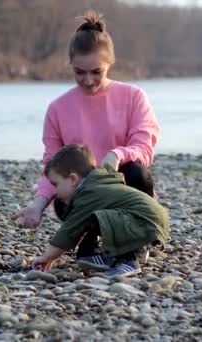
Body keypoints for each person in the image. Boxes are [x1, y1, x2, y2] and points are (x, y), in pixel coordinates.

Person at [11, 10, 160, 229]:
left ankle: (138, 237)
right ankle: (90, 243)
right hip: (81, 197)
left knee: (138, 172)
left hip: (124, 188)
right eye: (80, 72)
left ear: (110, 62)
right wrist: (38, 204)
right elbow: (53, 167)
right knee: (67, 193)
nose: (88, 80)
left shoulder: (134, 96)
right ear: (70, 63)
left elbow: (144, 149)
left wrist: (117, 154)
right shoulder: (57, 108)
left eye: (96, 72)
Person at [31, 144, 169, 277]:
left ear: (72, 179)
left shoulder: (88, 194)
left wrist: (46, 257)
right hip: (150, 218)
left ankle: (128, 261)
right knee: (95, 217)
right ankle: (91, 255)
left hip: (146, 221)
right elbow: (109, 164)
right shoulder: (98, 178)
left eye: (56, 184)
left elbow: (68, 231)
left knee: (93, 217)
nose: (55, 191)